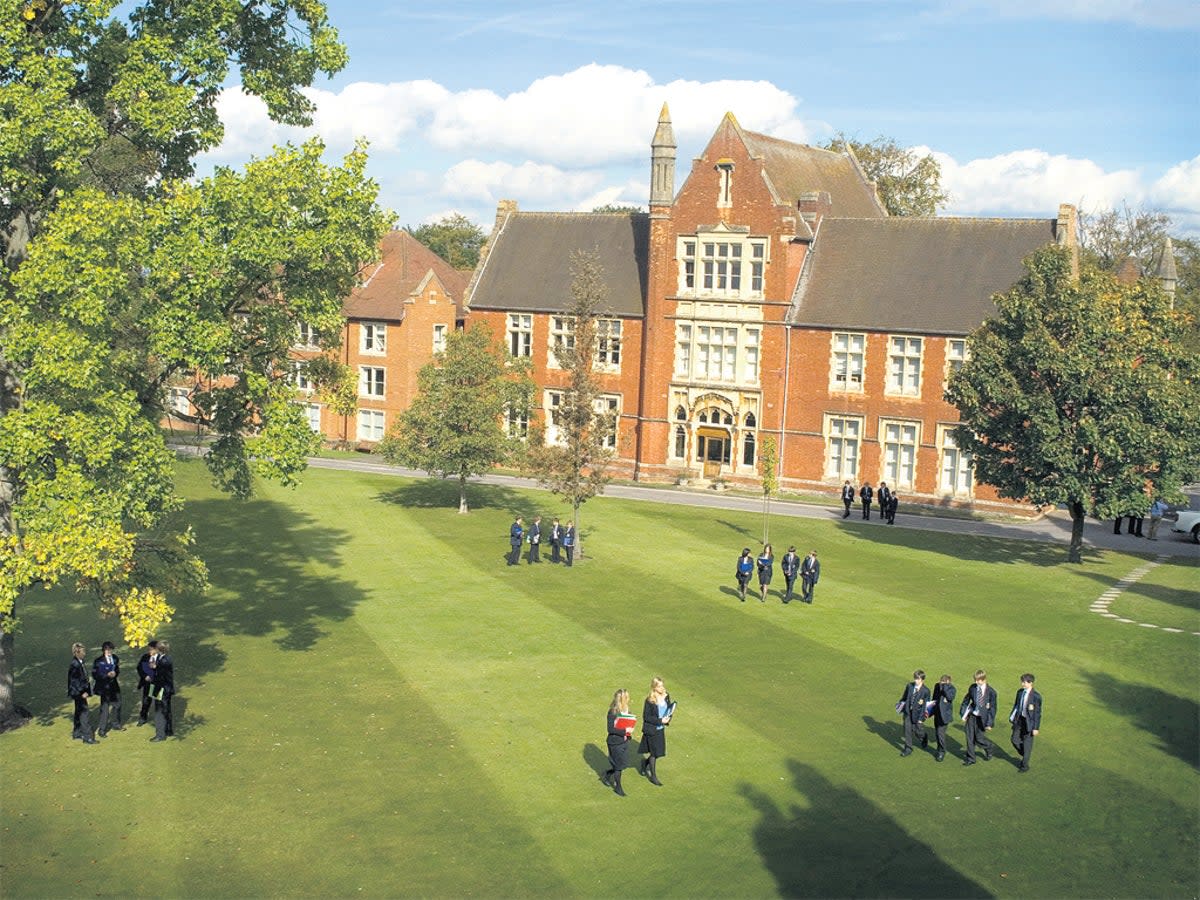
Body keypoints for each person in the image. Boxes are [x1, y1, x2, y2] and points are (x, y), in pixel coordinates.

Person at [638, 676, 673, 786]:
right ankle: (653, 776)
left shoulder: (666, 696)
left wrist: (668, 719)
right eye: (659, 686)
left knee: (658, 753)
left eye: (662, 685)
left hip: (660, 729)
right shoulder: (650, 700)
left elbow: (669, 710)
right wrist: (660, 720)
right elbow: (646, 717)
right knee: (654, 753)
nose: (662, 688)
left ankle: (645, 763)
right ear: (654, 687)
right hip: (652, 730)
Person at [958, 668, 996, 766]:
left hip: (982, 718)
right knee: (969, 737)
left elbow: (992, 709)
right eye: (975, 680)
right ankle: (971, 758)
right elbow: (966, 700)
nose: (976, 682)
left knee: (979, 739)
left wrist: (989, 723)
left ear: (984, 680)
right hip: (972, 716)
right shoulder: (973, 688)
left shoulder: (991, 692)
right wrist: (963, 713)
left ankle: (989, 747)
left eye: (978, 680)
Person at [602, 688, 636, 796]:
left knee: (622, 764)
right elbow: (610, 729)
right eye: (627, 697)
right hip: (615, 742)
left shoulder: (627, 711)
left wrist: (630, 729)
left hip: (625, 741)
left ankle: (608, 774)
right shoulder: (612, 712)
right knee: (619, 766)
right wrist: (625, 731)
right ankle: (618, 787)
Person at [1009, 673, 1042, 773]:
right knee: (1014, 739)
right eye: (1022, 682)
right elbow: (1016, 706)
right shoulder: (1020, 692)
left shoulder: (1036, 697)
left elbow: (1037, 713)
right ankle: (1025, 754)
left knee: (1027, 744)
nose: (1022, 684)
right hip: (1019, 720)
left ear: (1030, 683)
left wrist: (1036, 728)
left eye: (1024, 682)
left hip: (1029, 723)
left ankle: (1024, 766)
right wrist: (1012, 717)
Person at [67, 642, 96, 744]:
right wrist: (82, 692)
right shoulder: (75, 665)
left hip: (77, 692)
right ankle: (87, 737)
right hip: (78, 693)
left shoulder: (79, 662)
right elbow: (75, 681)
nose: (84, 653)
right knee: (84, 713)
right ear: (77, 652)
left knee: (79, 711)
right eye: (83, 651)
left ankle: (77, 732)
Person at [897, 669, 931, 757]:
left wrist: (921, 718)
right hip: (908, 712)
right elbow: (904, 697)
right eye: (915, 678)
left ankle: (924, 737)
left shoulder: (926, 691)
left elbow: (926, 706)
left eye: (918, 679)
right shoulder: (910, 686)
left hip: (918, 714)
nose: (916, 680)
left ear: (922, 680)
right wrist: (900, 705)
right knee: (907, 730)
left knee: (918, 731)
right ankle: (908, 748)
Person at [92, 640, 122, 737]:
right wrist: (106, 675)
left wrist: (115, 674)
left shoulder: (115, 658)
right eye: (107, 650)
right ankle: (102, 729)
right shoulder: (98, 661)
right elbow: (95, 674)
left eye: (110, 649)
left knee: (117, 705)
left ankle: (116, 724)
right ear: (103, 650)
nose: (109, 651)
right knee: (104, 708)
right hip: (104, 687)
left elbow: (117, 669)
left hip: (114, 686)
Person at [149, 640, 175, 742]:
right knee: (166, 709)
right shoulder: (165, 658)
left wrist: (154, 667)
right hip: (165, 688)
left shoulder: (163, 661)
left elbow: (159, 672)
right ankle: (168, 730)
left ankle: (160, 734)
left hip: (161, 688)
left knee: (159, 710)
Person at [930, 674, 957, 762]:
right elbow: (934, 698)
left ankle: (941, 751)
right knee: (937, 733)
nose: (941, 685)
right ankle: (939, 749)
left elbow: (950, 697)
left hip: (944, 716)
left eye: (943, 683)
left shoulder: (952, 689)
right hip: (937, 714)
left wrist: (945, 687)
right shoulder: (937, 686)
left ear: (948, 682)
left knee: (940, 733)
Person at [136, 640, 158, 726]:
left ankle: (160, 719)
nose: (149, 651)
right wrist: (145, 676)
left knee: (158, 701)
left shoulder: (160, 658)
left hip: (157, 683)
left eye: (151, 649)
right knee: (146, 701)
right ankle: (143, 718)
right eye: (149, 649)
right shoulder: (145, 657)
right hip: (147, 683)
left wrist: (156, 668)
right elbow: (139, 668)